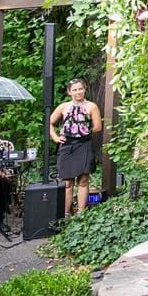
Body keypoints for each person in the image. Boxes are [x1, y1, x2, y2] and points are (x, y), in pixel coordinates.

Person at [49, 78, 102, 216]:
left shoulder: (91, 106)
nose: (78, 92)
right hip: (66, 146)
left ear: (84, 89)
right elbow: (49, 123)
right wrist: (55, 137)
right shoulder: (63, 107)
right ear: (69, 92)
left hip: (84, 144)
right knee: (67, 182)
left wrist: (82, 130)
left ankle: (81, 213)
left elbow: (97, 127)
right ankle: (66, 214)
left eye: (80, 89)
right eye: (74, 89)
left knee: (83, 180)